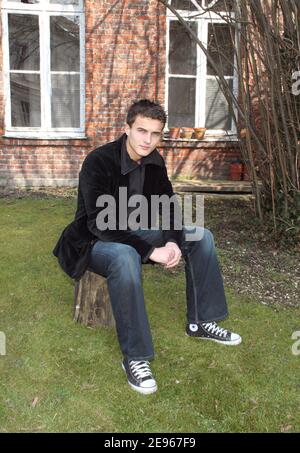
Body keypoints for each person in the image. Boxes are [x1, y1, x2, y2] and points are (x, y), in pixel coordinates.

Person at [53, 99, 242, 395]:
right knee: (127, 255)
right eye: (142, 131)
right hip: (92, 241)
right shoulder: (99, 161)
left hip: (132, 233)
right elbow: (99, 223)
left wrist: (171, 241)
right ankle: (136, 357)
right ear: (126, 128)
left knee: (200, 236)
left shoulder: (154, 162)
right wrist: (150, 250)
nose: (148, 140)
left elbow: (168, 207)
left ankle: (202, 321)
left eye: (155, 134)